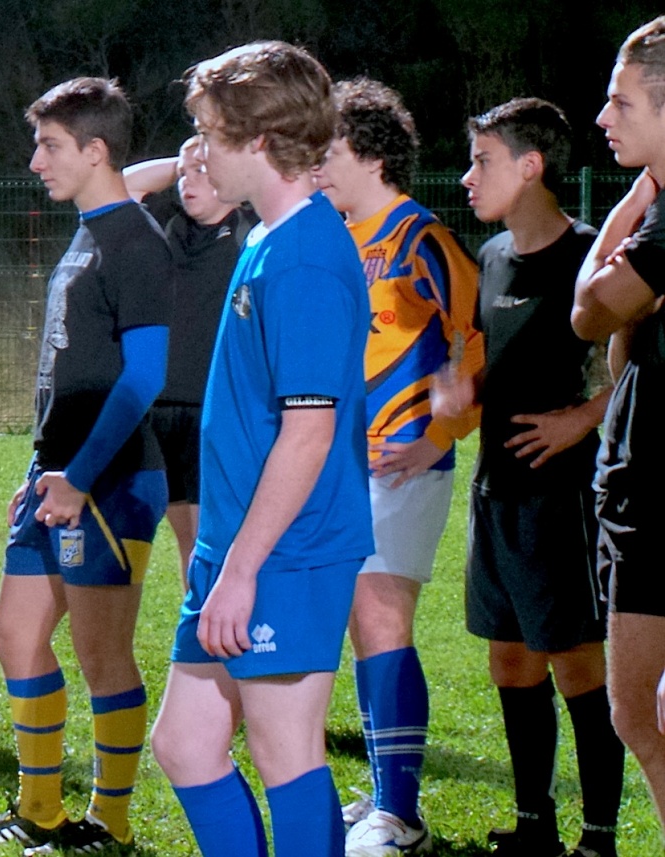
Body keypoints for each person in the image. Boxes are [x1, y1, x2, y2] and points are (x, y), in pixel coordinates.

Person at [149, 42, 372, 857]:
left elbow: (309, 432)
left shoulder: (306, 256)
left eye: (209, 132)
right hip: (236, 542)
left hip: (284, 551)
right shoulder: (266, 240)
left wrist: (242, 570)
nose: (197, 150)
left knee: (285, 753)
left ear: (259, 140)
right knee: (185, 744)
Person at [0, 77, 172, 854]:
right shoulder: (88, 229)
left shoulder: (135, 242)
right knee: (13, 634)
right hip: (58, 475)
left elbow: (144, 376)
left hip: (111, 481)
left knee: (101, 655)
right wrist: (44, 466)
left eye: (49, 145)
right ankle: (40, 809)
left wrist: (79, 477)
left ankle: (109, 823)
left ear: (95, 150)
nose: (35, 161)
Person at [439, 97, 623, 857]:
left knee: (577, 664)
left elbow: (638, 362)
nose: (467, 177)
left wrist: (581, 419)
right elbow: (503, 362)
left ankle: (599, 838)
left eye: (482, 161)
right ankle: (533, 828)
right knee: (510, 660)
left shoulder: (590, 253)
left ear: (530, 166)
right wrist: (465, 390)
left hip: (561, 495)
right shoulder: (490, 257)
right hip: (494, 491)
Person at [312, 77, 482, 856]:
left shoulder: (421, 238)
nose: (316, 165)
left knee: (382, 617)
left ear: (369, 155)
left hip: (403, 466)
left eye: (327, 150)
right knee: (362, 622)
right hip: (344, 466)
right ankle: (385, 791)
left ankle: (400, 816)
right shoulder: (338, 239)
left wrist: (439, 437)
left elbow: (474, 342)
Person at [571, 14, 665, 845]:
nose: (603, 118)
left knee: (652, 709)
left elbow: (586, 312)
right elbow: (613, 347)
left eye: (622, 101)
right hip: (635, 489)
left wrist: (632, 210)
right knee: (635, 712)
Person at [123, 137, 257, 585]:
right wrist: (186, 159)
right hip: (159, 410)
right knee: (187, 542)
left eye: (201, 172)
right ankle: (197, 622)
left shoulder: (249, 233)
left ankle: (217, 625)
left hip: (211, 411)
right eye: (182, 175)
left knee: (209, 538)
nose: (186, 182)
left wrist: (216, 160)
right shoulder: (167, 227)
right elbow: (125, 185)